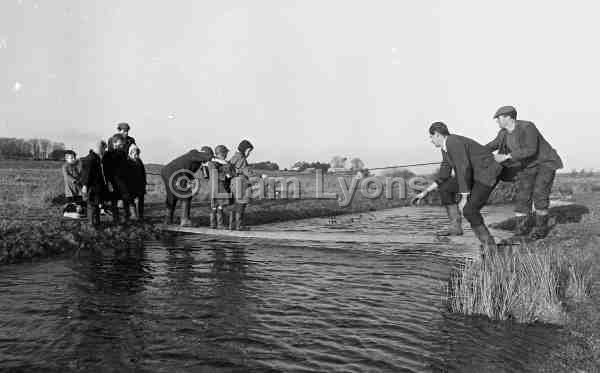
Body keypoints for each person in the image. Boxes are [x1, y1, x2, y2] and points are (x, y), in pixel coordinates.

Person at [412, 122, 502, 250]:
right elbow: (444, 175)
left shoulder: (453, 142)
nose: (431, 141)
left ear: (437, 135)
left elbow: (463, 168)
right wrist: (425, 192)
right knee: (445, 188)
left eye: (431, 137)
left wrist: (464, 197)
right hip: (474, 173)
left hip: (486, 173)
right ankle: (455, 227)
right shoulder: (445, 149)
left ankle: (490, 245)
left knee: (469, 210)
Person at [486, 106, 563, 240]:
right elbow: (492, 145)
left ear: (508, 117)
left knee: (540, 195)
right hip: (527, 167)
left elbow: (530, 150)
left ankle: (541, 230)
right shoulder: (503, 133)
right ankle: (522, 230)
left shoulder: (527, 127)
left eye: (498, 118)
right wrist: (474, 152)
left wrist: (506, 157)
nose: (497, 121)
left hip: (545, 164)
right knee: (522, 197)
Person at [160, 147, 214, 226]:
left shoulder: (196, 159)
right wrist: (217, 158)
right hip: (175, 173)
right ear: (205, 153)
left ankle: (168, 219)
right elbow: (207, 157)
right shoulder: (194, 153)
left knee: (172, 196)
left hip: (167, 172)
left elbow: (191, 172)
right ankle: (185, 220)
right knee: (186, 195)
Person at [103, 134, 134, 223]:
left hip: (123, 181)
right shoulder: (107, 154)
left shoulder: (123, 153)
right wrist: (108, 182)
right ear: (114, 143)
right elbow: (106, 170)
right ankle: (115, 219)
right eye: (120, 144)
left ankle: (126, 217)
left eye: (122, 144)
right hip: (113, 181)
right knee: (114, 201)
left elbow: (126, 167)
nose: (122, 146)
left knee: (126, 198)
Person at [80, 141, 108, 226]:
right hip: (91, 186)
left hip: (96, 186)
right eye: (104, 148)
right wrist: (85, 185)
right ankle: (91, 223)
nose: (104, 150)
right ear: (99, 148)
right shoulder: (90, 159)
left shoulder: (96, 158)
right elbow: (86, 173)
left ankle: (96, 222)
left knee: (96, 204)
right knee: (91, 205)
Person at [228, 139, 254, 230]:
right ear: (244, 149)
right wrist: (260, 176)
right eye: (249, 151)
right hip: (241, 184)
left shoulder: (234, 157)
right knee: (241, 204)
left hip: (234, 183)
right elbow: (247, 171)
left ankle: (232, 225)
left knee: (235, 204)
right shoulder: (242, 158)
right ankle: (239, 225)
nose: (249, 153)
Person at [208, 145, 234, 229]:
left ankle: (213, 224)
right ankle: (219, 224)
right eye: (225, 153)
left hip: (215, 186)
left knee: (215, 205)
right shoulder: (213, 163)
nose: (226, 155)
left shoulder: (216, 162)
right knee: (219, 205)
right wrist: (226, 175)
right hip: (218, 186)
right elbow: (215, 174)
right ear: (222, 153)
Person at [126, 144, 147, 221]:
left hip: (140, 184)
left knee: (141, 200)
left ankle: (141, 215)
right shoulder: (128, 161)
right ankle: (133, 215)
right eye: (135, 153)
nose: (137, 155)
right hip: (131, 185)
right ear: (131, 153)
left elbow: (143, 172)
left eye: (138, 153)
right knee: (131, 200)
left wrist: (144, 182)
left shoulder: (139, 161)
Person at [61, 150, 84, 217]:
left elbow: (79, 174)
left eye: (74, 157)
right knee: (70, 202)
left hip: (78, 188)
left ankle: (78, 212)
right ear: (66, 158)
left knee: (79, 201)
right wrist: (74, 180)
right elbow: (66, 176)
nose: (73, 159)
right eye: (71, 158)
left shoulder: (76, 166)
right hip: (70, 188)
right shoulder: (65, 166)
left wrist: (80, 179)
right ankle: (67, 213)